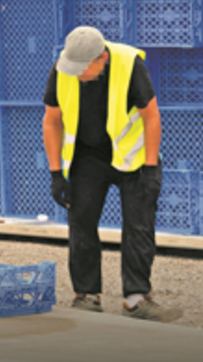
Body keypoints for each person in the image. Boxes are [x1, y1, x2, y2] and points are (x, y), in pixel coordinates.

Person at [42, 26, 182, 322]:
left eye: (84, 69)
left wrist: (151, 167)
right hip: (88, 156)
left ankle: (136, 299)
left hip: (132, 158)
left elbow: (151, 116)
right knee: (81, 223)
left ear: (102, 58)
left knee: (139, 226)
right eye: (73, 68)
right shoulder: (62, 69)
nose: (77, 74)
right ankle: (87, 296)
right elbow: (52, 120)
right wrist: (56, 174)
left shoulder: (130, 65)